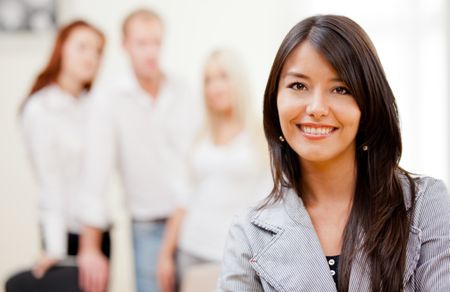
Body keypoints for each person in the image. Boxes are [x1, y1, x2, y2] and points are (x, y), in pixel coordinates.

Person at [219, 15, 450, 292]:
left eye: (341, 89)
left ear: (368, 104)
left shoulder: (425, 205)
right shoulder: (248, 233)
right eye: (298, 86)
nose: (317, 107)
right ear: (274, 100)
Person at [76, 8, 201, 292]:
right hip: (149, 227)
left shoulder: (182, 91)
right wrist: (90, 248)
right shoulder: (109, 97)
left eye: (156, 42)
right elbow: (96, 173)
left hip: (193, 223)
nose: (151, 52)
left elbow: (194, 161)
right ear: (125, 46)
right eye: (142, 43)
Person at [6, 20, 107, 292]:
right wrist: (54, 249)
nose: (91, 57)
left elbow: (96, 178)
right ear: (61, 49)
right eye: (83, 47)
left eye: (97, 51)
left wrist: (93, 241)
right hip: (63, 232)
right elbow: (49, 182)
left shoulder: (94, 107)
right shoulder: (40, 109)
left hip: (97, 231)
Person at [156, 49, 270, 292]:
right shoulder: (200, 135)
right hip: (191, 249)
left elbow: (270, 201)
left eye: (222, 76)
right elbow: (184, 197)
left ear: (237, 80)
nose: (214, 87)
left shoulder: (261, 134)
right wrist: (165, 255)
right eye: (208, 80)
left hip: (237, 256)